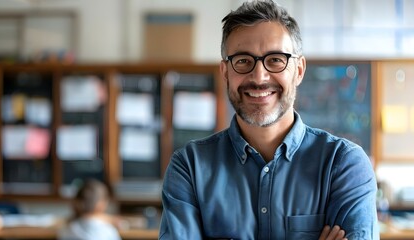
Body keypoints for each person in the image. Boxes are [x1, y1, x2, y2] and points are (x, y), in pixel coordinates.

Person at [159, 0, 379, 239]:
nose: (259, 76)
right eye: (243, 60)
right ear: (225, 73)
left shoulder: (344, 165)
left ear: (299, 70)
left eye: (275, 59)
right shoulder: (189, 168)